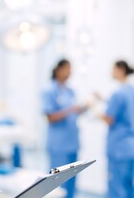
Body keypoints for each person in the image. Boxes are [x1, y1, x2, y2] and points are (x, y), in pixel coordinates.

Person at [42, 59, 88, 198]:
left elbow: (73, 112)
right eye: (67, 69)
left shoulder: (70, 91)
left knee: (71, 183)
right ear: (59, 70)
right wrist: (70, 110)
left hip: (72, 143)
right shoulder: (50, 91)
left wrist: (83, 108)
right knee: (57, 184)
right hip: (59, 145)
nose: (69, 73)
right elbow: (50, 117)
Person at [101, 60, 134, 198]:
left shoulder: (118, 93)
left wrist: (95, 112)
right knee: (128, 187)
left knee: (116, 188)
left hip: (119, 148)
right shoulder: (130, 91)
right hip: (130, 147)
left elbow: (109, 118)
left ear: (120, 69)